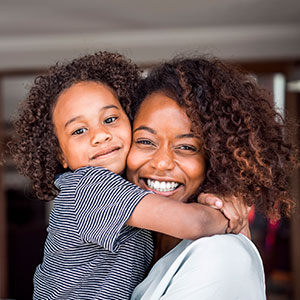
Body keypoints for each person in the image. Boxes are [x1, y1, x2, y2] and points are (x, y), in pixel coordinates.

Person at [9, 51, 245, 300]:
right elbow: (195, 224)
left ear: (129, 120)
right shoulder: (89, 186)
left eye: (110, 119)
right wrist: (225, 214)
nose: (100, 135)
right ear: (61, 156)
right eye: (79, 130)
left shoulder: (129, 194)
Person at [127, 55, 298, 299]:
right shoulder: (136, 249)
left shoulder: (221, 253)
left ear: (216, 160)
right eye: (145, 141)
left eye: (186, 147)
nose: (162, 162)